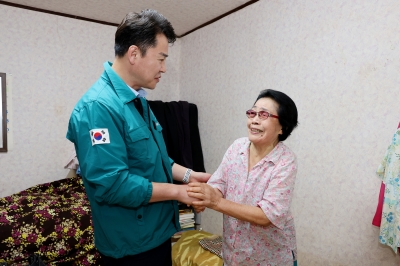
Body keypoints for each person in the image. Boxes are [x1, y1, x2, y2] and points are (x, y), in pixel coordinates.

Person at [66, 9, 210, 266]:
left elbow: (154, 157)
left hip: (156, 232)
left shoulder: (137, 99)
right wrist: (179, 192)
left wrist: (189, 175)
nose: (164, 68)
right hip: (131, 245)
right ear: (134, 53)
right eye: (161, 59)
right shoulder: (98, 107)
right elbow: (113, 184)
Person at [188, 89, 299, 266]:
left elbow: (266, 215)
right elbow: (219, 182)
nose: (254, 120)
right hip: (233, 255)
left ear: (282, 127)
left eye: (264, 115)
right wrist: (204, 195)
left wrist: (215, 202)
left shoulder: (285, 162)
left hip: (269, 259)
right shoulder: (236, 146)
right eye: (252, 113)